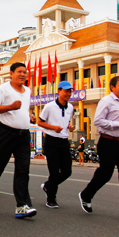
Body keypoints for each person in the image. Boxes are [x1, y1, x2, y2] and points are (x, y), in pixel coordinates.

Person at [78, 76, 119, 220]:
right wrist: (118, 124)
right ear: (112, 87)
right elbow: (97, 121)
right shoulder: (106, 101)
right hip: (107, 143)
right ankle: (86, 195)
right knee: (105, 174)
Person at [0, 62, 37, 218]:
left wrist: (29, 118)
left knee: (23, 170)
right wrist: (10, 107)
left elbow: (23, 110)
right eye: (19, 72)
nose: (22, 75)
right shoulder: (3, 89)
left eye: (25, 72)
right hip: (5, 134)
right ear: (11, 73)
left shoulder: (27, 90)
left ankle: (22, 205)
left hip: (23, 135)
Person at [37, 81, 75, 209]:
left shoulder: (70, 107)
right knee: (54, 172)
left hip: (64, 141)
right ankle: (51, 199)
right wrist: (53, 127)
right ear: (58, 91)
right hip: (51, 141)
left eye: (70, 91)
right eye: (66, 91)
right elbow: (40, 122)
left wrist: (69, 126)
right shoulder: (49, 106)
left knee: (67, 171)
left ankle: (48, 186)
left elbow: (66, 120)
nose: (68, 94)